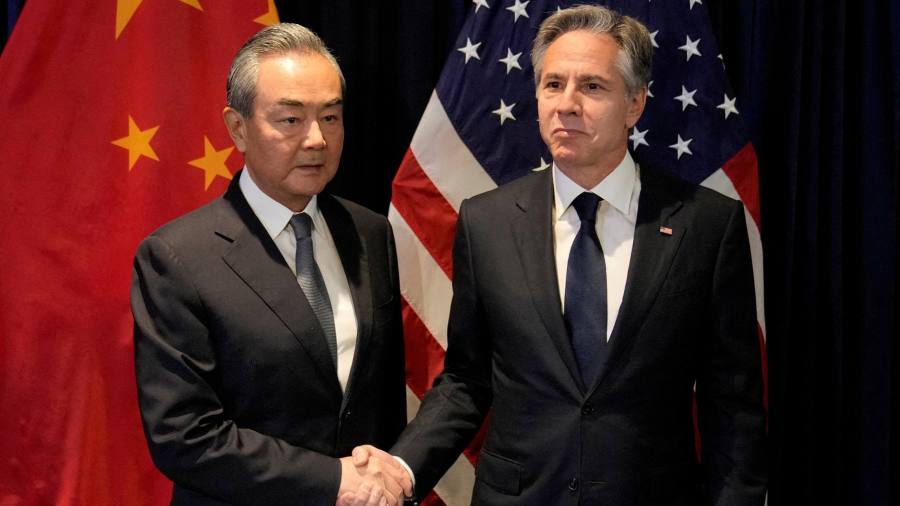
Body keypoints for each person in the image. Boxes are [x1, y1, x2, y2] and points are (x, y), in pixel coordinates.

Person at [347, 5, 767, 505]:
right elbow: (467, 379)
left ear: (634, 104)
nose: (567, 104)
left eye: (592, 86)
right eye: (553, 84)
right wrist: (402, 468)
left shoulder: (707, 225)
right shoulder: (486, 222)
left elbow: (732, 405)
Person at [131, 23, 411, 505]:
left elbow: (380, 400)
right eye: (290, 119)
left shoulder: (370, 232)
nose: (317, 139)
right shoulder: (177, 258)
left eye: (330, 117)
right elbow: (184, 436)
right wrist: (332, 480)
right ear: (237, 128)